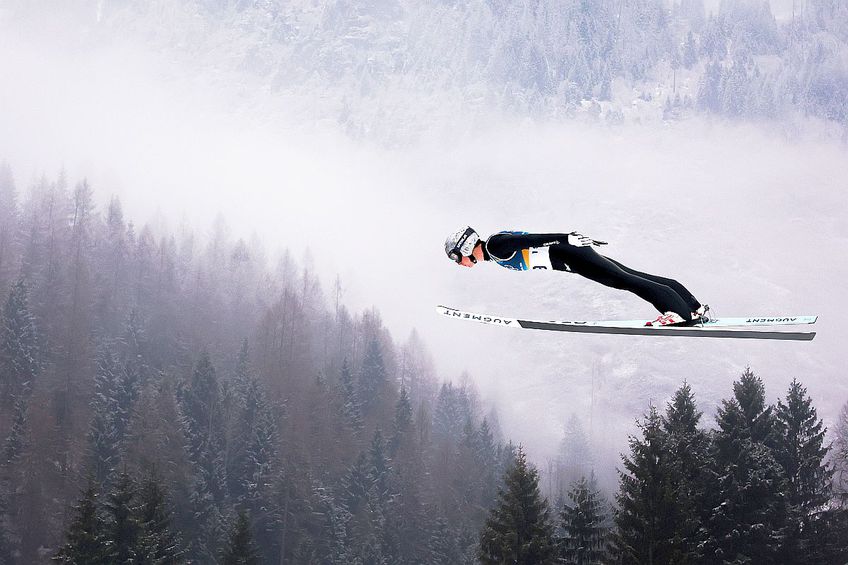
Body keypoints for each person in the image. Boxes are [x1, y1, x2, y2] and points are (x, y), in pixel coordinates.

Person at [444, 226, 708, 326]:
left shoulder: (495, 246)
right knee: (629, 275)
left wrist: (566, 238)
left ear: (465, 248)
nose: (460, 264)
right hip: (571, 256)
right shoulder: (494, 248)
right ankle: (692, 307)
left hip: (571, 254)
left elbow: (536, 238)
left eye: (457, 258)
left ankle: (678, 313)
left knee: (624, 280)